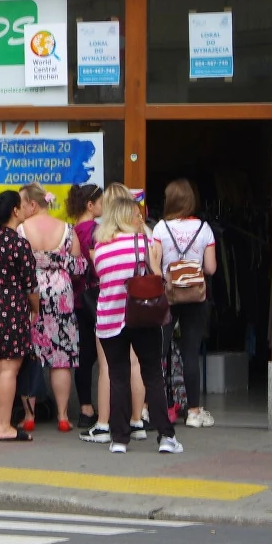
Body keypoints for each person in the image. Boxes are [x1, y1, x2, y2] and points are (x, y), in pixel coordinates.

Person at [92, 188, 182, 454]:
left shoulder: (100, 248)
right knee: (152, 375)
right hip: (141, 317)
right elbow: (157, 276)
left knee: (117, 378)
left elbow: (103, 279)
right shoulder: (143, 243)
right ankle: (165, 436)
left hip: (109, 320)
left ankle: (119, 439)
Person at [80, 182, 149, 444]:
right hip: (138, 309)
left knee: (108, 366)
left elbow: (97, 269)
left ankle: (104, 424)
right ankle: (137, 420)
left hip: (110, 307)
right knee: (136, 364)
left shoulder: (103, 237)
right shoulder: (144, 234)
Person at [18, 182, 87, 433]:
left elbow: (16, 265)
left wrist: (38, 260)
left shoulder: (22, 230)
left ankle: (29, 416)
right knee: (62, 358)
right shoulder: (67, 229)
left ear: (33, 204)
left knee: (31, 355)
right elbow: (80, 267)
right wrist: (59, 261)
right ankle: (63, 416)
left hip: (31, 295)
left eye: (23, 203)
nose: (21, 208)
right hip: (62, 294)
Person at [153, 178, 217, 430]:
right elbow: (211, 267)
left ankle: (153, 407)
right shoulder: (205, 229)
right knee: (190, 353)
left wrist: (168, 276)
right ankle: (193, 411)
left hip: (167, 295)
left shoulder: (159, 228)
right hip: (195, 298)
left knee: (158, 352)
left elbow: (154, 265)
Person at [0, 190, 39, 442]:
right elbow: (30, 285)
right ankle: (4, 426)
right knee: (9, 369)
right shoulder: (18, 243)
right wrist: (35, 309)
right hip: (13, 305)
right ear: (15, 210)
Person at [68, 183, 104, 427]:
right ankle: (107, 408)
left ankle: (85, 408)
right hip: (98, 296)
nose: (103, 206)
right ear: (90, 205)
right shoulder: (97, 231)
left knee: (84, 355)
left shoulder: (71, 231)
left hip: (79, 298)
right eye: (100, 202)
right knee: (106, 355)